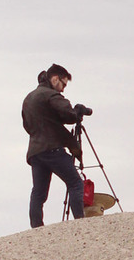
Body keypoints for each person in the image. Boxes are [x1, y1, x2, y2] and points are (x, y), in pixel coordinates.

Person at [22, 64, 90, 227]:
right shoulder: (51, 95)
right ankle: (80, 223)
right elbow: (68, 115)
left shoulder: (29, 98)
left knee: (38, 192)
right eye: (63, 84)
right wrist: (76, 112)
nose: (63, 89)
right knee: (75, 183)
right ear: (55, 79)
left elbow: (27, 125)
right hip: (52, 149)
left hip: (35, 152)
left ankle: (36, 227)